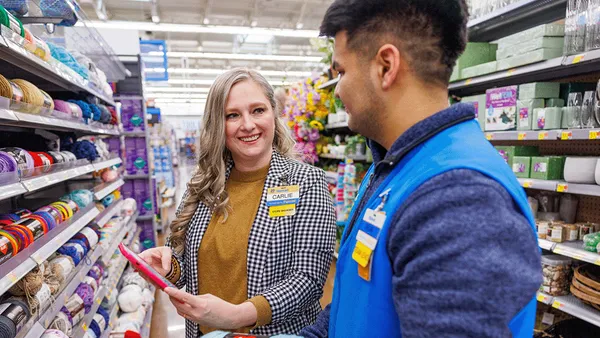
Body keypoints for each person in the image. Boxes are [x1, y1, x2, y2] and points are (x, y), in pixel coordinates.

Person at [299, 1, 542, 337]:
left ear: (386, 65)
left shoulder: (458, 198)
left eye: (340, 71)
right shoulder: (396, 165)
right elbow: (354, 303)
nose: (337, 90)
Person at [140, 69, 336, 337]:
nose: (247, 124)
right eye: (232, 115)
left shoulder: (307, 182)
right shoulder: (203, 184)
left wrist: (236, 315)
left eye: (258, 110)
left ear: (273, 114)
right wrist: (168, 266)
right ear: (218, 124)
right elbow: (185, 264)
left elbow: (307, 280)